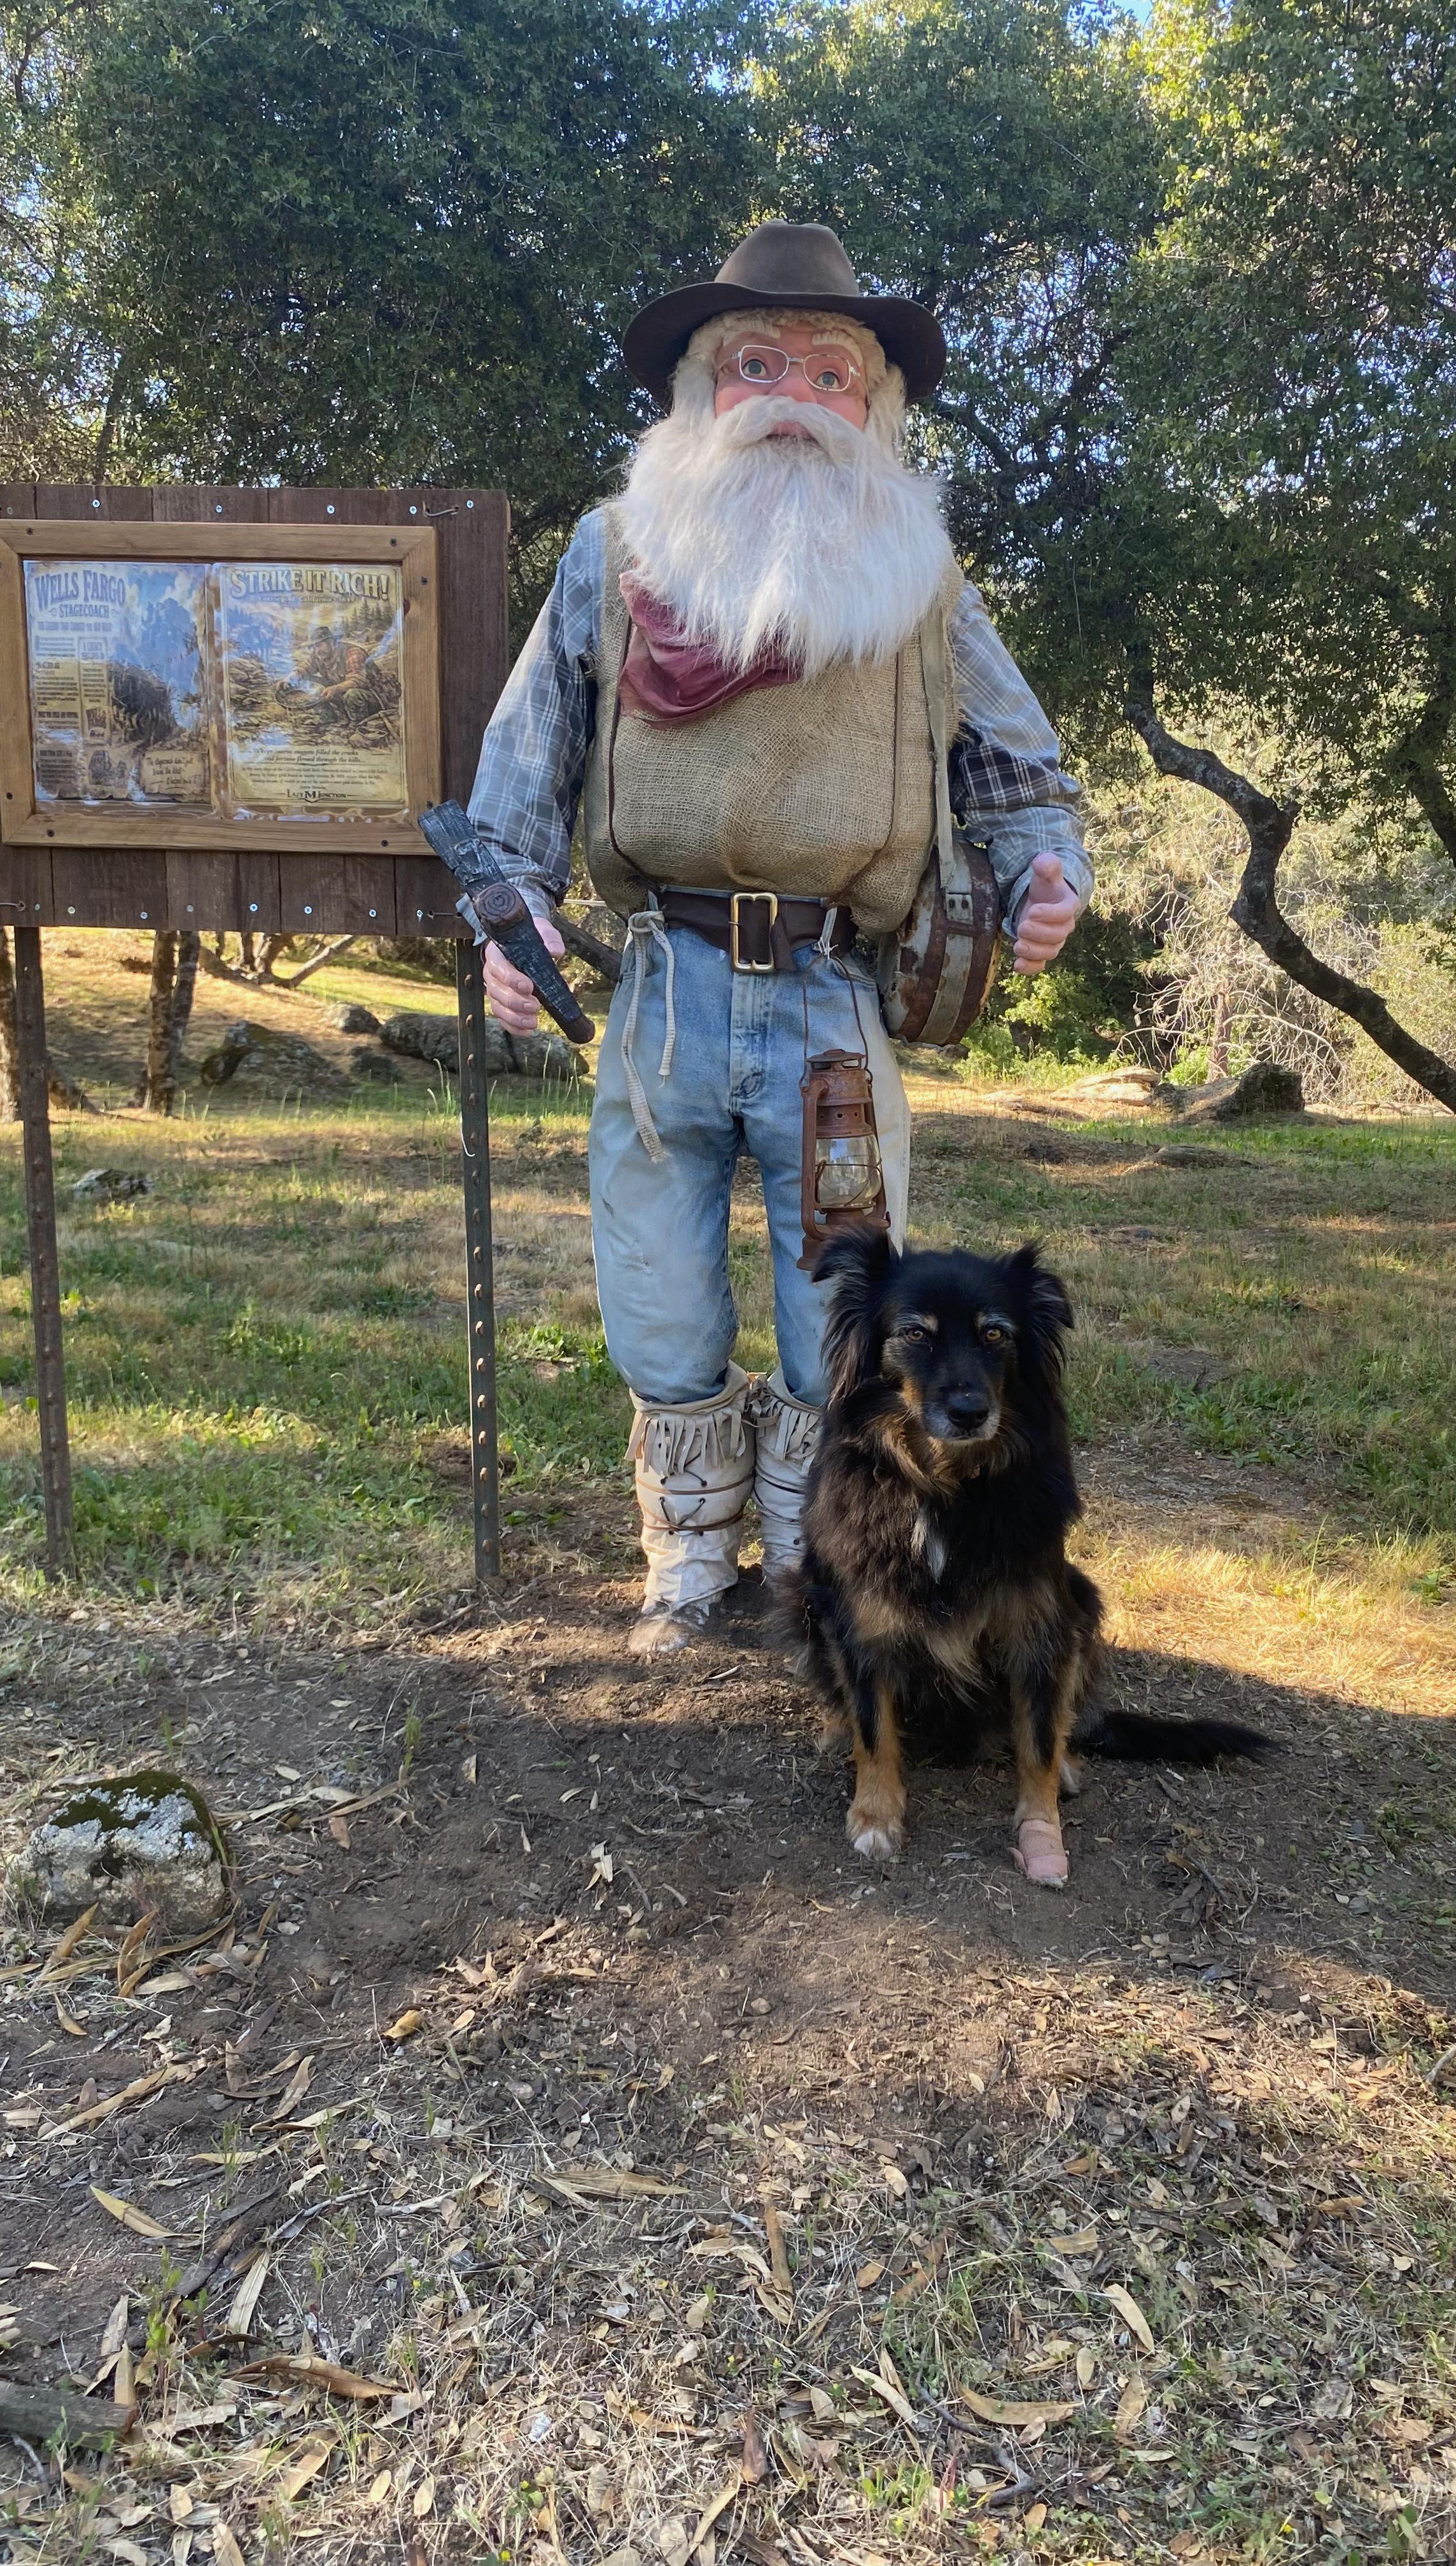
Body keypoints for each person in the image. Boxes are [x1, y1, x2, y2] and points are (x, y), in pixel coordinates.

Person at [468, 221, 1089, 1653]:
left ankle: (827, 1566)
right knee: (656, 1285)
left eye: (829, 370)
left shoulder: (922, 580)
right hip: (662, 990)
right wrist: (511, 913)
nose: (794, 396)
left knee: (847, 1312)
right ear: (702, 388)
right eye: (759, 364)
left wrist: (1046, 873)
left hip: (830, 995)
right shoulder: (610, 556)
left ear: (875, 404)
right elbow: (528, 755)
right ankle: (688, 1561)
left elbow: (1018, 771)